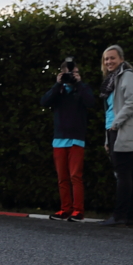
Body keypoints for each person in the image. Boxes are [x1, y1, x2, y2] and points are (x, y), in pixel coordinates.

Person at [95, 46, 133, 226]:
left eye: (112, 58)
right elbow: (110, 111)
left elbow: (131, 102)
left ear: (121, 59)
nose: (109, 62)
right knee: (128, 173)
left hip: (123, 130)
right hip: (114, 130)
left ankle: (120, 215)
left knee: (123, 173)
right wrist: (108, 137)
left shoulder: (128, 76)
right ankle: (130, 216)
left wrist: (115, 125)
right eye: (106, 59)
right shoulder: (112, 80)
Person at [40, 59, 100, 218]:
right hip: (59, 139)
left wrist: (79, 84)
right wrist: (57, 84)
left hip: (76, 139)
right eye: (69, 73)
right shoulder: (58, 91)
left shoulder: (82, 89)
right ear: (62, 74)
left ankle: (78, 210)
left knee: (75, 176)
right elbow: (44, 102)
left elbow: (91, 102)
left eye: (75, 73)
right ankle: (65, 209)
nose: (72, 76)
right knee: (62, 178)